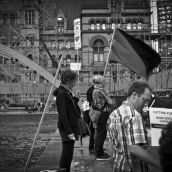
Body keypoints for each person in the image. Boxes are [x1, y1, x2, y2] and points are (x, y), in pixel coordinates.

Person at [108, 81, 160, 172]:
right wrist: (158, 164)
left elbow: (111, 144)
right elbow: (134, 148)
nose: (146, 104)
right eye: (145, 100)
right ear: (134, 95)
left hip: (118, 166)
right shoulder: (134, 115)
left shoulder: (114, 114)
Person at [53, 69, 81, 172]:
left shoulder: (65, 91)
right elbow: (63, 114)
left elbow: (70, 106)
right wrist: (69, 131)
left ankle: (65, 169)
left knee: (68, 152)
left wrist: (76, 98)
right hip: (66, 128)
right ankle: (64, 170)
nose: (75, 83)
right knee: (67, 153)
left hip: (68, 126)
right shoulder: (62, 93)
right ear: (68, 80)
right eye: (74, 81)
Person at [92, 74, 113, 160]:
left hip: (98, 113)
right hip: (103, 114)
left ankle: (98, 151)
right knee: (102, 133)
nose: (105, 82)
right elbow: (110, 101)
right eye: (104, 81)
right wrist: (109, 99)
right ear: (100, 82)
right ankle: (99, 154)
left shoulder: (94, 90)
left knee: (99, 132)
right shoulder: (100, 90)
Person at [83, 77, 96, 154]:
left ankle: (94, 147)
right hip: (91, 113)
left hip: (90, 113)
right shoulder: (92, 90)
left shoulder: (91, 89)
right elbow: (92, 102)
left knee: (93, 131)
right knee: (93, 131)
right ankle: (91, 148)